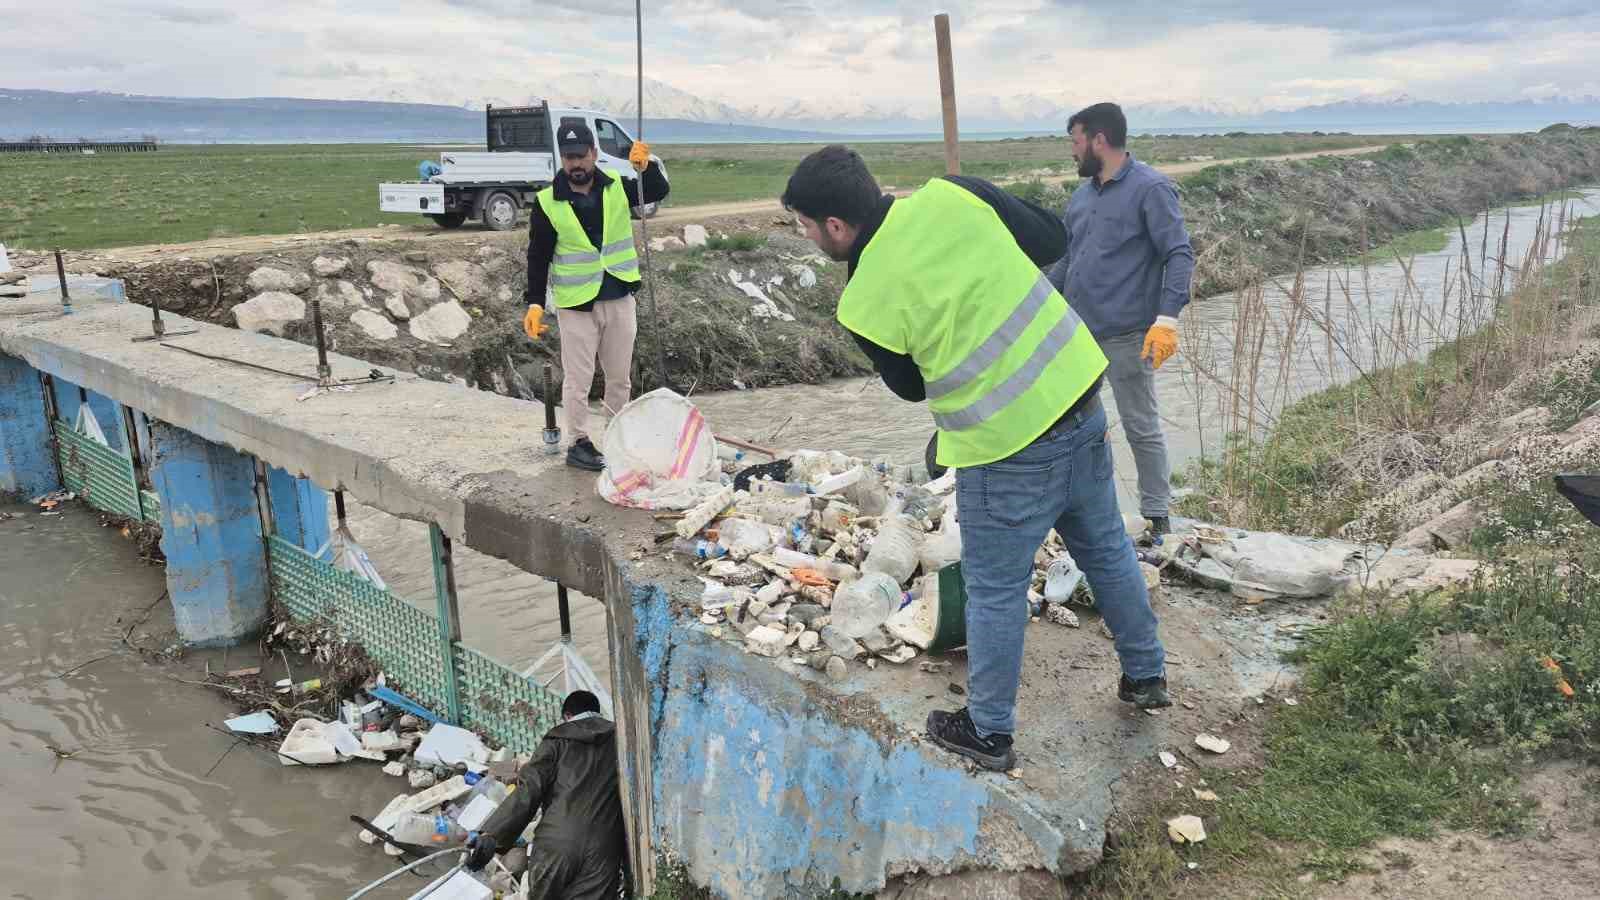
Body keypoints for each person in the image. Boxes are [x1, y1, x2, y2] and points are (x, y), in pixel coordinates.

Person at [781, 146, 1170, 773]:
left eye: (803, 223)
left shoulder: (860, 301)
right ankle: (1147, 676)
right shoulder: (953, 193)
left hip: (1005, 447)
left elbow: (909, 386)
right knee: (1105, 548)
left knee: (994, 589)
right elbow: (1049, 237)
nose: (804, 235)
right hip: (1079, 396)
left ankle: (988, 731)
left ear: (835, 227)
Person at [1047, 102, 1194, 537]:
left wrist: (1167, 318)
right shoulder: (1082, 195)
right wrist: (1039, 298)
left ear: (1099, 140)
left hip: (1130, 336)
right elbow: (1070, 258)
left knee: (1140, 427)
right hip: (1079, 336)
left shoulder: (1150, 189)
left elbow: (1178, 253)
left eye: (1075, 142)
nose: (1072, 152)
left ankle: (1157, 516)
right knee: (1071, 428)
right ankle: (1086, 513)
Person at [524, 122, 670, 471]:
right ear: (562, 158)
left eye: (581, 156)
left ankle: (616, 438)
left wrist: (645, 167)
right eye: (568, 157)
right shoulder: (548, 202)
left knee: (620, 377)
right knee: (578, 380)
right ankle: (578, 443)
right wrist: (535, 304)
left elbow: (655, 190)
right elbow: (538, 255)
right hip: (577, 305)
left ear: (593, 154)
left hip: (619, 295)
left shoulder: (618, 186)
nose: (575, 164)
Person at [464, 690, 628, 899]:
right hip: (603, 848)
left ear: (567, 716)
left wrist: (491, 835)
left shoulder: (557, 740)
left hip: (556, 845)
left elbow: (529, 791)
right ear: (597, 712)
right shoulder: (620, 740)